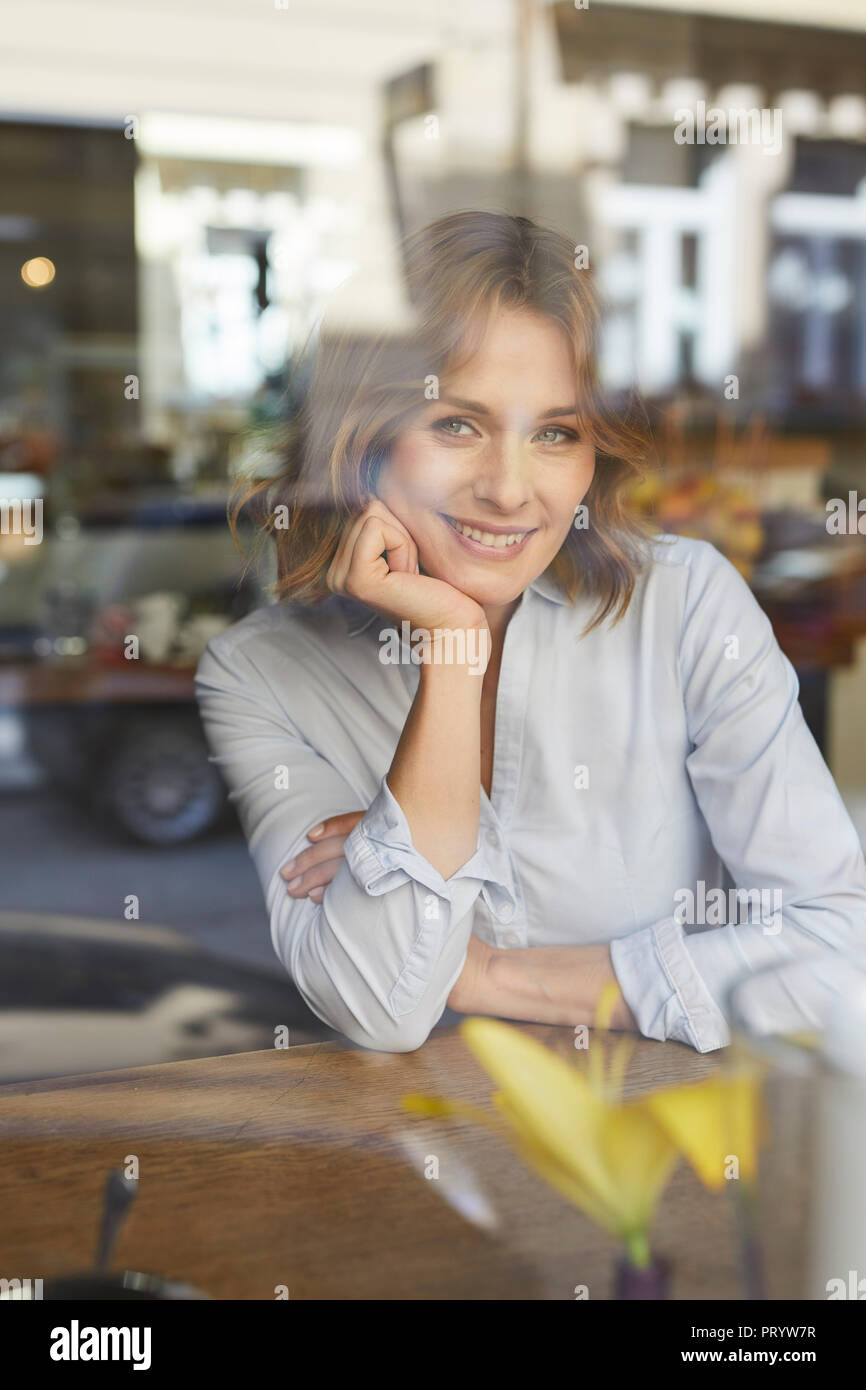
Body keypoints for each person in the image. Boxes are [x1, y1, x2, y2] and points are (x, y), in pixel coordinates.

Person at [195, 210, 866, 1054]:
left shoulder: (685, 605)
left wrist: (484, 977)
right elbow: (378, 1003)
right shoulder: (260, 675)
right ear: (358, 441)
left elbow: (840, 949)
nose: (510, 491)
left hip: (671, 1159)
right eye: (457, 425)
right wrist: (450, 647)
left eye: (555, 433)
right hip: (413, 1163)